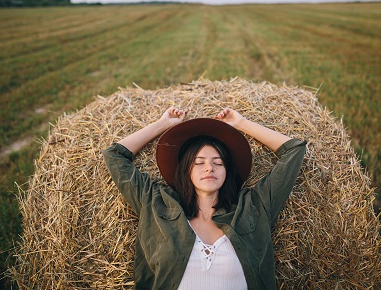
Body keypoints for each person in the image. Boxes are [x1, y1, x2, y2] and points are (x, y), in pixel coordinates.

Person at [103, 107, 306, 290]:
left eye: (218, 163)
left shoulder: (253, 206)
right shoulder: (157, 204)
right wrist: (163, 124)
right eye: (199, 162)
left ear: (227, 171)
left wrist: (240, 123)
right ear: (186, 170)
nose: (209, 167)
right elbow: (114, 155)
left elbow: (294, 150)